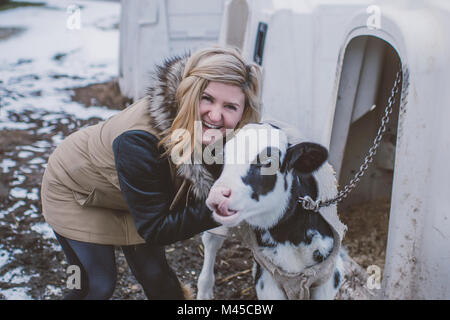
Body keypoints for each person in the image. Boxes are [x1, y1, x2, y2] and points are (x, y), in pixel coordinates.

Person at [40, 46, 262, 300]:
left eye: (230, 106)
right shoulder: (138, 142)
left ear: (243, 111)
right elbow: (156, 229)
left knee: (158, 278)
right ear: (190, 92)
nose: (215, 115)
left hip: (133, 193)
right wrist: (222, 205)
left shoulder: (218, 131)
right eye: (208, 98)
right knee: (93, 285)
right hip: (76, 189)